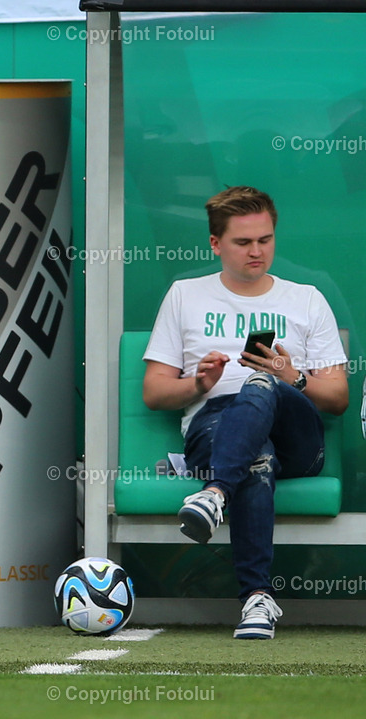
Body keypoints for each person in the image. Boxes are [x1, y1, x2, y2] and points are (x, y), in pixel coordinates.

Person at [143, 186, 348, 639]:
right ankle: (257, 599)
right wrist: (200, 384)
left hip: (297, 436)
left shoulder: (307, 298)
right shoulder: (184, 295)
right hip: (215, 424)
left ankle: (216, 492)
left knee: (262, 382)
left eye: (265, 240)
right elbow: (154, 392)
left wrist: (290, 375)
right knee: (257, 457)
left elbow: (337, 397)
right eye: (243, 242)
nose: (257, 251)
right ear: (215, 243)